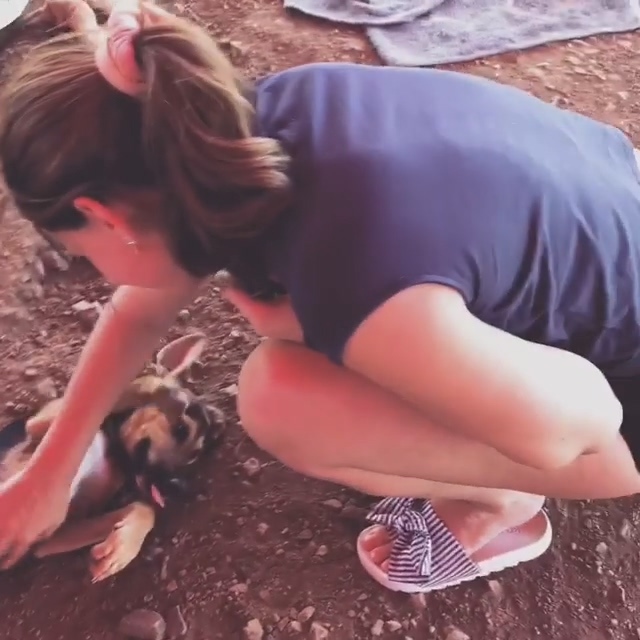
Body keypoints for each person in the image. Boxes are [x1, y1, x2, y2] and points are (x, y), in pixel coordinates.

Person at [1, 0, 640, 594]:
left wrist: (345, 334)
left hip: (613, 410)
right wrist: (47, 474)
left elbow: (579, 425)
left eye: (81, 250)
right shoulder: (239, 131)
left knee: (281, 401)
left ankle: (501, 504)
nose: (96, 270)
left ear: (107, 218)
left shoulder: (355, 275)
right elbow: (138, 311)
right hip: (618, 196)